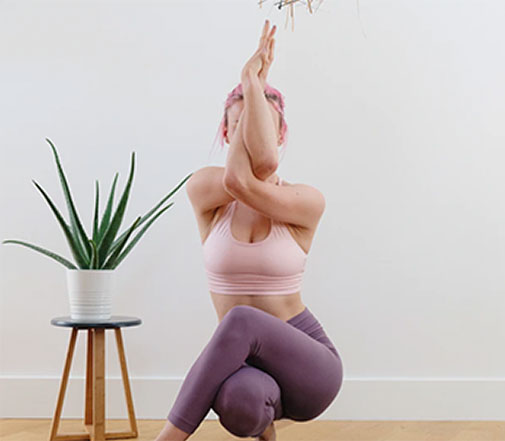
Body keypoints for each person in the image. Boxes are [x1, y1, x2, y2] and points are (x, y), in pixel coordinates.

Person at [154, 19, 343, 441]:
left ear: (281, 135)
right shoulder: (206, 190)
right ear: (225, 133)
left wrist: (249, 83)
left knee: (242, 318)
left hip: (310, 368)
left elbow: (257, 171)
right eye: (239, 127)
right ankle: (265, 429)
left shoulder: (305, 201)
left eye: (265, 130)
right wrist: (253, 93)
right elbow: (240, 177)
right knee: (240, 404)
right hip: (247, 369)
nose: (254, 140)